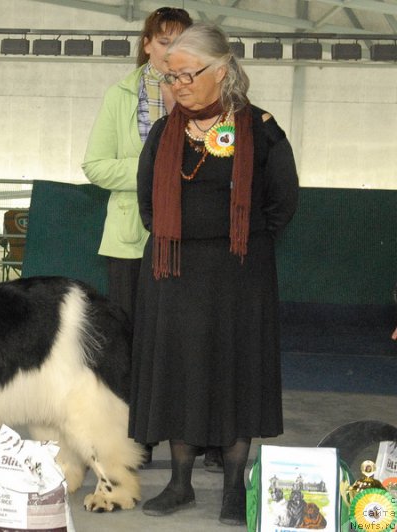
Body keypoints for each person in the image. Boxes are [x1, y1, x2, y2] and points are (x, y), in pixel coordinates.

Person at [129, 23, 299, 526]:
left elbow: (282, 202)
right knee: (177, 373)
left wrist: (236, 241)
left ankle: (232, 489)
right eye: (170, 75)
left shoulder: (261, 128)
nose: (177, 84)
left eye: (186, 74)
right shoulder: (164, 132)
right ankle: (179, 484)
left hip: (239, 275)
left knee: (235, 373)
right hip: (172, 272)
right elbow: (146, 202)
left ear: (221, 71)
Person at [81, 7, 227, 471]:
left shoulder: (217, 98)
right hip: (130, 241)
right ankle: (135, 444)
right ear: (146, 45)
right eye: (163, 42)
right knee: (130, 348)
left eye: (182, 42)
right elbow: (96, 165)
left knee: (197, 342)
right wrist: (154, 173)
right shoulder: (120, 95)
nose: (171, 51)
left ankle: (209, 439)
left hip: (196, 241)